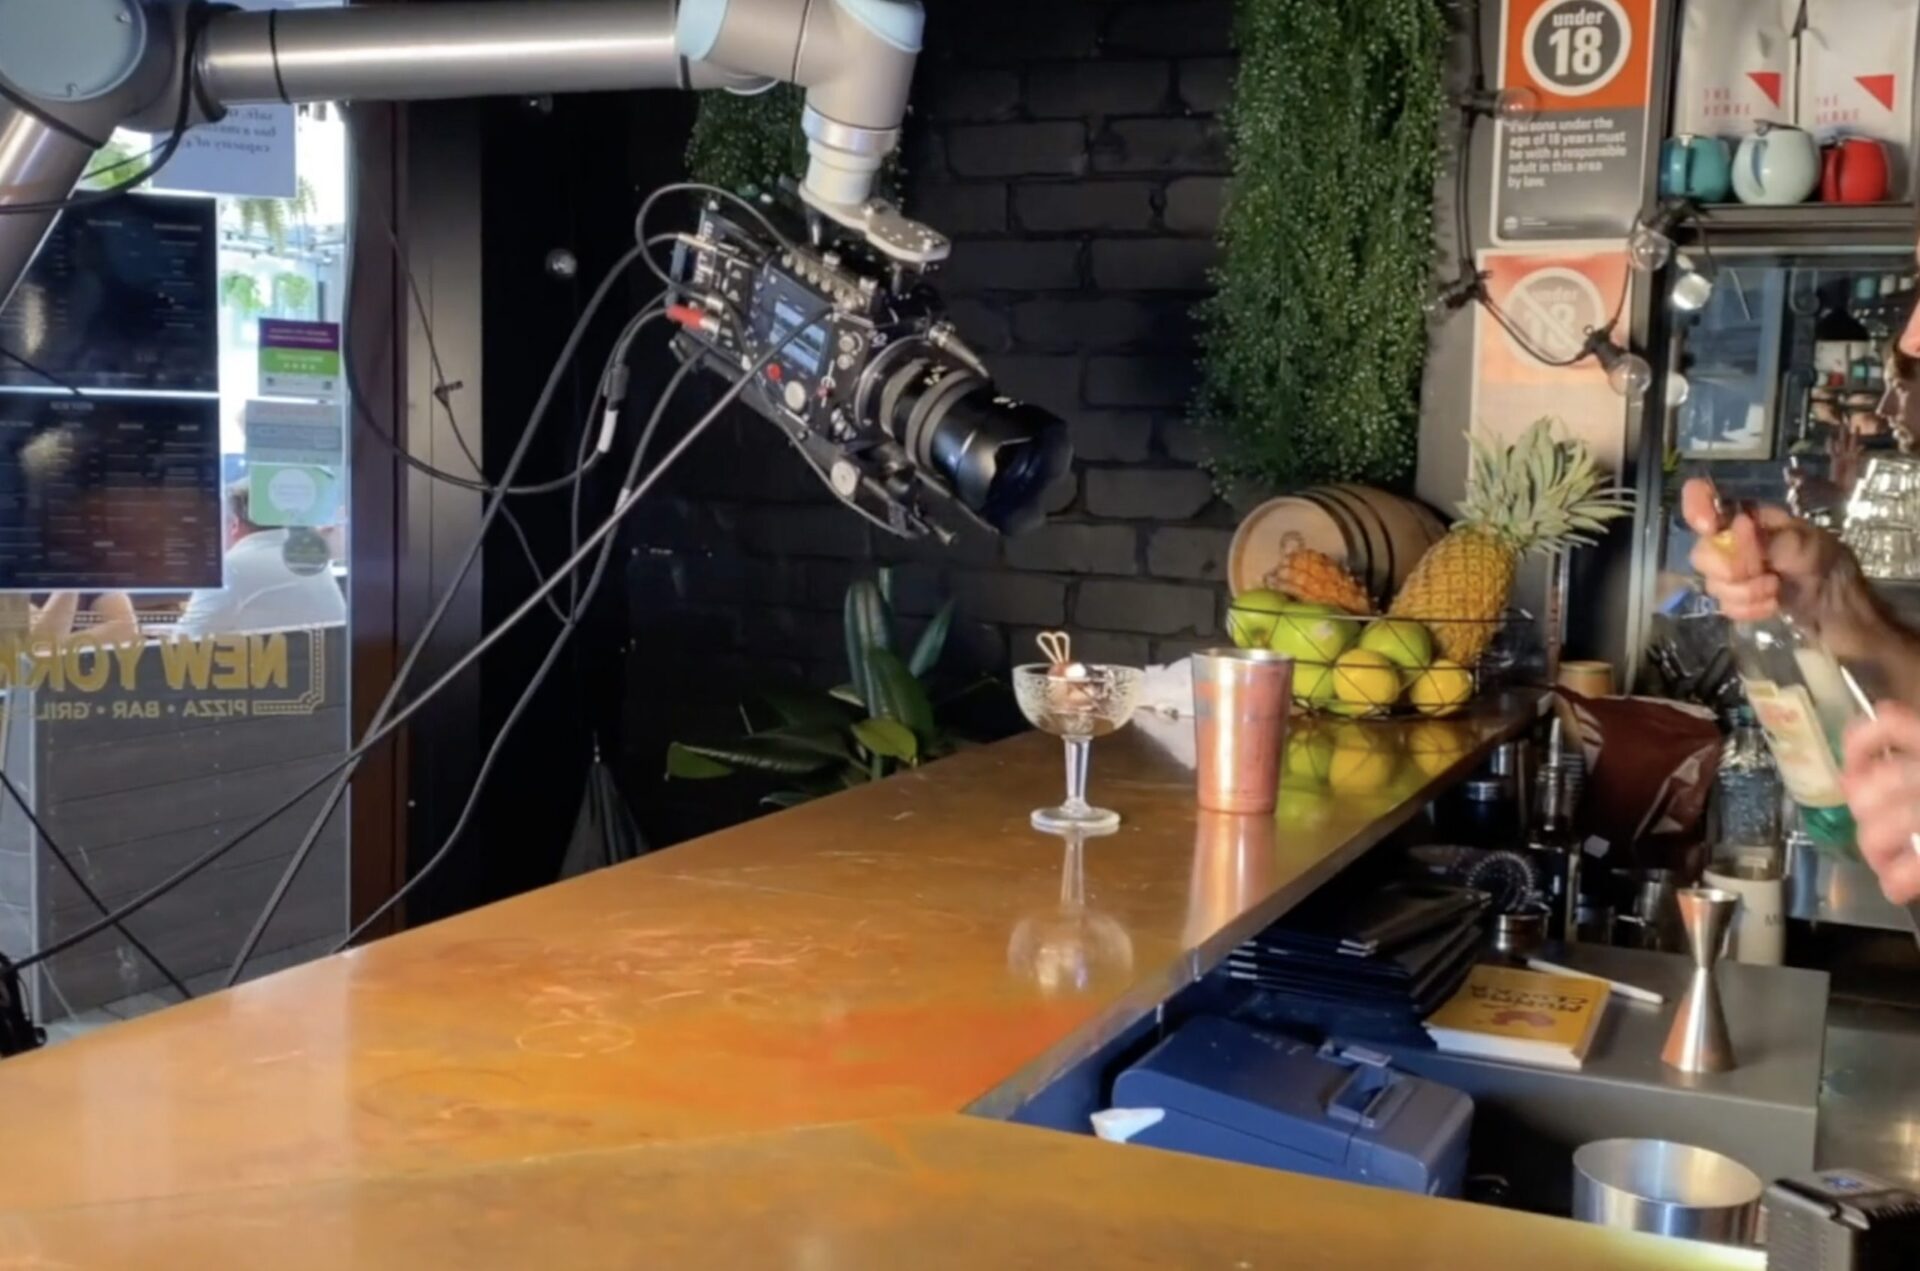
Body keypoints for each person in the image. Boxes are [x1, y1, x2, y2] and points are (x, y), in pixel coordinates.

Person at [173, 482, 346, 637]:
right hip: (321, 662)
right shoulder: (306, 560)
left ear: (234, 525)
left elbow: (183, 644)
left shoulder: (231, 568)